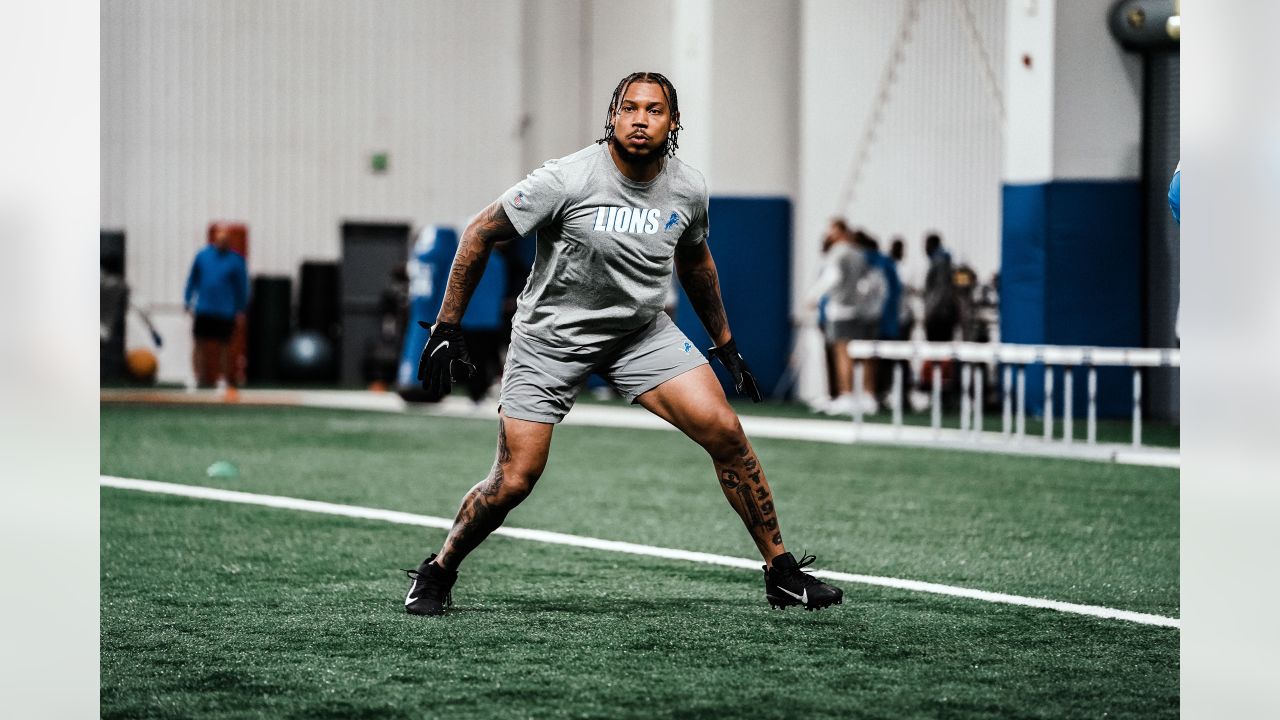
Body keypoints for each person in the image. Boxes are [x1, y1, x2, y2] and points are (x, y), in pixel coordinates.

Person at [403, 72, 843, 616]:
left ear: (673, 122)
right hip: (551, 338)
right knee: (515, 478)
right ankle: (440, 568)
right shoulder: (565, 179)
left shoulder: (688, 187)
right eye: (629, 108)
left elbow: (696, 261)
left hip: (639, 332)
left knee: (726, 432)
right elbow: (479, 232)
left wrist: (724, 344)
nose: (640, 119)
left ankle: (782, 573)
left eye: (654, 110)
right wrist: (447, 326)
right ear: (612, 116)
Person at [805, 219, 866, 414]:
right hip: (855, 308)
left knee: (842, 353)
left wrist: (813, 295)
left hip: (839, 308)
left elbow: (833, 277)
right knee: (851, 353)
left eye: (831, 229)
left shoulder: (838, 252)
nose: (828, 233)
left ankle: (846, 395)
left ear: (840, 231)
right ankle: (851, 394)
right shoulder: (858, 253)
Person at [183, 226, 249, 394]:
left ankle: (223, 379)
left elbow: (242, 287)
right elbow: (192, 279)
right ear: (214, 240)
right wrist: (187, 300)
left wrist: (241, 309)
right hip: (204, 308)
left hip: (226, 310)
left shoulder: (236, 261)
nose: (222, 243)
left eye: (225, 240)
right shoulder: (202, 256)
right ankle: (197, 378)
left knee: (225, 346)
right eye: (219, 240)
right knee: (198, 343)